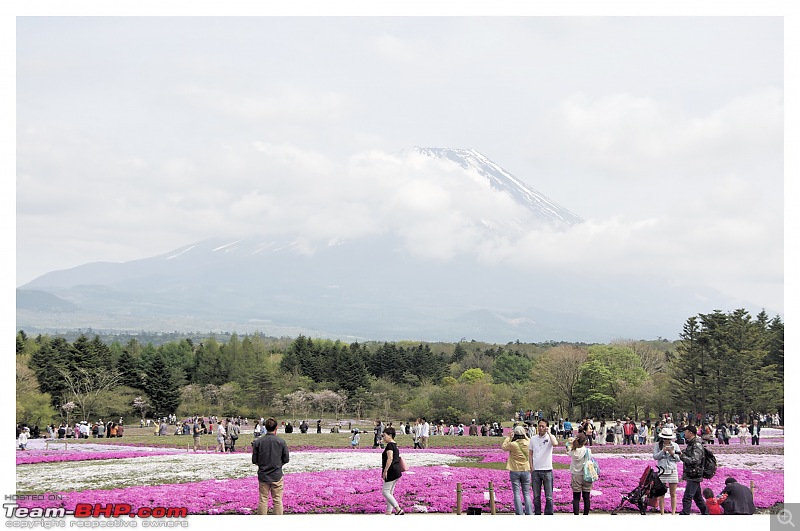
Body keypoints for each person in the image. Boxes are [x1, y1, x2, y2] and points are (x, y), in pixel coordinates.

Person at [252, 417, 290, 515]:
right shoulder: (281, 442)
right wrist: (278, 465)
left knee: (263, 500)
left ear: (265, 427)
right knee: (277, 500)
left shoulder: (258, 442)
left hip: (263, 475)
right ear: (276, 428)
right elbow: (286, 459)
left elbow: (254, 460)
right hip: (277, 475)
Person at [500, 425, 533, 515]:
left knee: (516, 493)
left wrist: (508, 437)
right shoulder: (529, 443)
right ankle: (529, 512)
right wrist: (525, 435)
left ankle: (519, 513)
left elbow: (503, 447)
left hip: (515, 470)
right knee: (526, 493)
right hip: (526, 469)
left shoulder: (513, 444)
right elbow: (528, 439)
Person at [678, 425, 708, 515]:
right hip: (692, 474)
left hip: (694, 474)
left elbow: (695, 460)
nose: (684, 433)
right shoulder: (691, 443)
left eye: (685, 431)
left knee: (687, 497)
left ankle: (685, 513)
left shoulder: (696, 444)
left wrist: (682, 456)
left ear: (690, 433)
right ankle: (706, 513)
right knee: (698, 497)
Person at [529, 418, 557, 515]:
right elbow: (530, 454)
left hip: (547, 470)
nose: (540, 428)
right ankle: (537, 514)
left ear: (546, 427)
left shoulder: (550, 438)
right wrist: (531, 466)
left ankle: (548, 514)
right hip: (536, 470)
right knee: (536, 497)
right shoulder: (533, 439)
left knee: (549, 497)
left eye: (543, 426)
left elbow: (555, 443)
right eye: (539, 426)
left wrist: (549, 433)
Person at [652, 427, 681, 515]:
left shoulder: (675, 445)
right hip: (662, 471)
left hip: (672, 470)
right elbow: (655, 456)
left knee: (673, 493)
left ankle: (673, 513)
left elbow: (679, 459)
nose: (667, 440)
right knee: (661, 493)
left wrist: (672, 453)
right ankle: (662, 513)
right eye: (665, 439)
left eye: (668, 438)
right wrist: (663, 451)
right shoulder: (658, 445)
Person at [380, 427, 405, 515]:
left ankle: (398, 509)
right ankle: (389, 511)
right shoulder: (395, 444)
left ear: (390, 436)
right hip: (396, 471)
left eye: (385, 436)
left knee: (385, 491)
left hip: (391, 471)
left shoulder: (390, 445)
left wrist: (385, 471)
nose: (383, 438)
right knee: (390, 491)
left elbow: (390, 458)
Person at [566, 433, 593, 515]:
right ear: (584, 441)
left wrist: (570, 443)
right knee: (586, 498)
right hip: (586, 475)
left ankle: (576, 515)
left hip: (576, 475)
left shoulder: (573, 451)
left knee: (576, 498)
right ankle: (586, 515)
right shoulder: (588, 450)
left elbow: (567, 448)